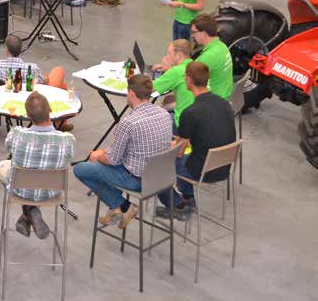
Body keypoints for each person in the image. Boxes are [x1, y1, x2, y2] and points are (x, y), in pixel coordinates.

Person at [74, 75, 172, 229]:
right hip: (159, 176)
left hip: (137, 179)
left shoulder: (128, 123)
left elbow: (112, 160)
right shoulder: (164, 114)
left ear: (131, 93)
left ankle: (122, 206)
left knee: (81, 169)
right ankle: (118, 209)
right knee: (104, 162)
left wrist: (98, 155)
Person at [156, 62, 236, 219]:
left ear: (189, 80)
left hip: (202, 171)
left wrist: (166, 148)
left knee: (157, 165)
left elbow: (178, 152)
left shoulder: (190, 112)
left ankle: (177, 206)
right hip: (223, 167)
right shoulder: (224, 104)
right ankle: (188, 197)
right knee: (188, 156)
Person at [0, 91, 75, 239]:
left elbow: (8, 148)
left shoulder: (17, 134)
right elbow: (69, 158)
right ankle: (30, 213)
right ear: (50, 111)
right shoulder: (67, 140)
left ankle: (28, 214)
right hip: (52, 191)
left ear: (28, 115)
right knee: (42, 169)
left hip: (21, 190)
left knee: (3, 165)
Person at [0, 33, 73, 131]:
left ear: (6, 49)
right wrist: (45, 77)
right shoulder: (32, 68)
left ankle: (61, 122)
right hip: (33, 100)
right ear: (20, 49)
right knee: (59, 70)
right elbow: (43, 82)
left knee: (62, 84)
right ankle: (61, 121)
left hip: (8, 98)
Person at [152, 39, 194, 132]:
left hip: (182, 124)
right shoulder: (193, 65)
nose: (166, 56)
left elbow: (149, 88)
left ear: (178, 55)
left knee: (150, 123)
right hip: (195, 121)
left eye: (169, 54)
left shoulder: (176, 72)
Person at [190, 13, 233, 100]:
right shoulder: (221, 46)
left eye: (194, 32)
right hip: (224, 94)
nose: (192, 35)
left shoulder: (208, 57)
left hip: (213, 101)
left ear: (204, 33)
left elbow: (186, 76)